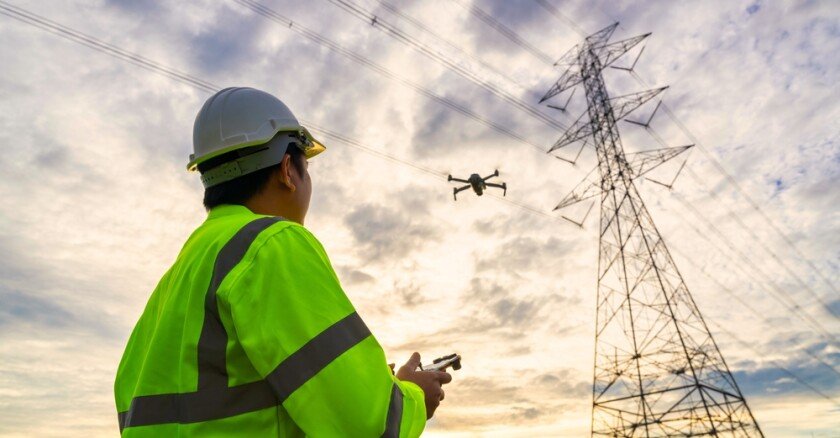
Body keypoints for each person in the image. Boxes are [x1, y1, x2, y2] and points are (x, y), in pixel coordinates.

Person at [114, 87, 452, 437]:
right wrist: (414, 396)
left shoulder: (175, 283)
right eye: (307, 167)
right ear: (288, 170)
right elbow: (365, 423)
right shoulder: (271, 244)